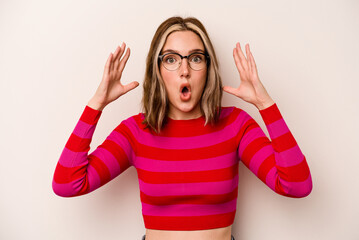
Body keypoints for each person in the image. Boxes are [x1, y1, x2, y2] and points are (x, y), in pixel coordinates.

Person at [52, 16, 313, 240]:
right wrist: (96, 104)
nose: (184, 70)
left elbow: (297, 185)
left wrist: (265, 104)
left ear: (208, 69)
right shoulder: (135, 132)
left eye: (195, 58)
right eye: (171, 59)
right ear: (157, 70)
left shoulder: (236, 124)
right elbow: (68, 183)